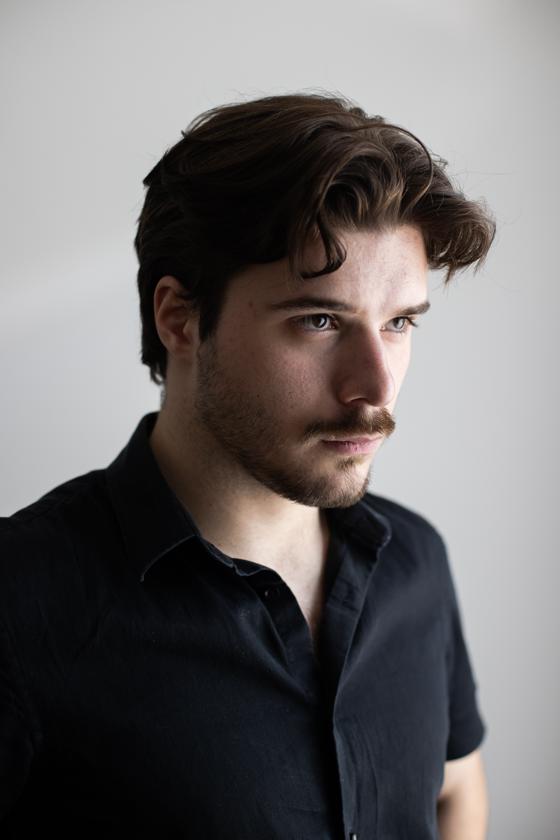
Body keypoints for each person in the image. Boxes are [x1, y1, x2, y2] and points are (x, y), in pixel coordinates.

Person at [0, 91, 496, 839]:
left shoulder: (415, 561)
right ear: (179, 318)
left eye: (398, 323)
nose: (376, 387)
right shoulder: (20, 601)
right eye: (319, 320)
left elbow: (455, 792)